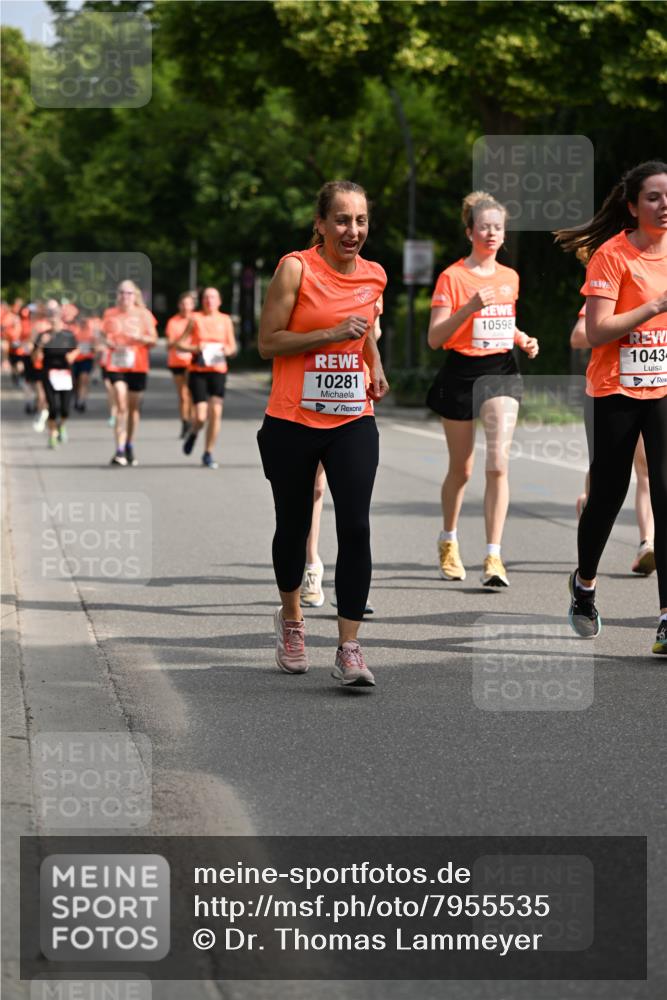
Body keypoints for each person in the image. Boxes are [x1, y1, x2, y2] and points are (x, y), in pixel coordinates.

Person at [257, 179, 388, 687]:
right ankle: (291, 620)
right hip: (293, 418)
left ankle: (349, 647)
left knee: (355, 525)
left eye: (360, 221)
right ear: (320, 224)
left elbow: (367, 330)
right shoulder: (297, 267)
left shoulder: (375, 275)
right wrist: (329, 335)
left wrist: (374, 365)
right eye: (341, 220)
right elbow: (268, 342)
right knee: (293, 527)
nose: (351, 230)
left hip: (353, 417)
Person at [555, 159, 667, 655]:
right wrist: (653, 308)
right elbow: (595, 332)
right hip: (615, 389)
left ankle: (666, 618)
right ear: (632, 205)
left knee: (665, 493)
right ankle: (584, 584)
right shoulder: (611, 255)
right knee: (608, 493)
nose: (664, 206)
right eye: (654, 197)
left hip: (662, 388)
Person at [426, 191, 539, 588]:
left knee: (498, 463)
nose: (492, 233)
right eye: (484, 226)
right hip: (461, 372)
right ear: (470, 230)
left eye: (498, 227)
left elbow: (502, 322)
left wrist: (521, 337)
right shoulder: (452, 277)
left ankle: (494, 555)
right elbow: (436, 338)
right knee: (463, 468)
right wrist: (468, 307)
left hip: (501, 371)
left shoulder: (510, 277)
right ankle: (449, 540)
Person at [301, 304, 383, 614]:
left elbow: (370, 335)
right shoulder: (306, 278)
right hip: (314, 388)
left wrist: (374, 366)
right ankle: (311, 565)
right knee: (316, 488)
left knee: (354, 500)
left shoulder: (370, 283)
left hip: (354, 396)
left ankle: (350, 583)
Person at [570, 303, 655, 576]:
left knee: (646, 470)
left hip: (652, 388)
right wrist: (629, 323)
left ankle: (646, 543)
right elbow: (579, 337)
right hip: (614, 391)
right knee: (607, 475)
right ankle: (590, 501)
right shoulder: (609, 295)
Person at [175, 287, 237, 469]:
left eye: (213, 297)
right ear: (202, 301)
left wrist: (228, 351)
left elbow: (233, 347)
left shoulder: (225, 320)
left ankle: (208, 452)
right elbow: (180, 343)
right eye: (206, 297)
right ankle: (194, 432)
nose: (209, 300)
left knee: (216, 412)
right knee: (201, 416)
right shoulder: (195, 318)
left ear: (219, 301)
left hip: (218, 370)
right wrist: (196, 348)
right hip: (198, 370)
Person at [102, 280, 158, 466]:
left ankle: (129, 444)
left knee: (133, 409)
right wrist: (108, 343)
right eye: (121, 293)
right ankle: (119, 450)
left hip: (138, 365)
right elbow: (103, 336)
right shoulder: (110, 314)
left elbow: (153, 340)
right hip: (116, 365)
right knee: (121, 402)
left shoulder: (144, 315)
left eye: (129, 293)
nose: (125, 296)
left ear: (135, 296)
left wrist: (139, 338)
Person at [32, 301, 79, 448]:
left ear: (60, 316)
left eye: (56, 314)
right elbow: (34, 358)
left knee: (65, 408)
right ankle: (52, 434)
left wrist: (72, 356)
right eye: (50, 314)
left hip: (65, 374)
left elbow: (77, 349)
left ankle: (61, 425)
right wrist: (41, 345)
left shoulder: (68, 334)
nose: (53, 317)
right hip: (48, 373)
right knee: (52, 406)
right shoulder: (43, 336)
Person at [165, 291, 196, 438]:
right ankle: (185, 421)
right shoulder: (173, 321)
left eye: (188, 304)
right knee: (182, 394)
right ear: (179, 305)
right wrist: (180, 342)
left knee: (191, 393)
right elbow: (170, 343)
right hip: (176, 361)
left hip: (192, 361)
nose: (185, 307)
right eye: (183, 304)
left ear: (192, 305)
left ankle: (190, 419)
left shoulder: (196, 320)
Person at [71, 310, 99, 413]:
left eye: (85, 319)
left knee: (84, 379)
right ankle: (76, 396)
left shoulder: (91, 329)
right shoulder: (74, 330)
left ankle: (81, 401)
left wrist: (93, 349)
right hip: (74, 359)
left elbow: (96, 345)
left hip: (87, 358)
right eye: (81, 319)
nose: (83, 321)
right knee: (75, 382)